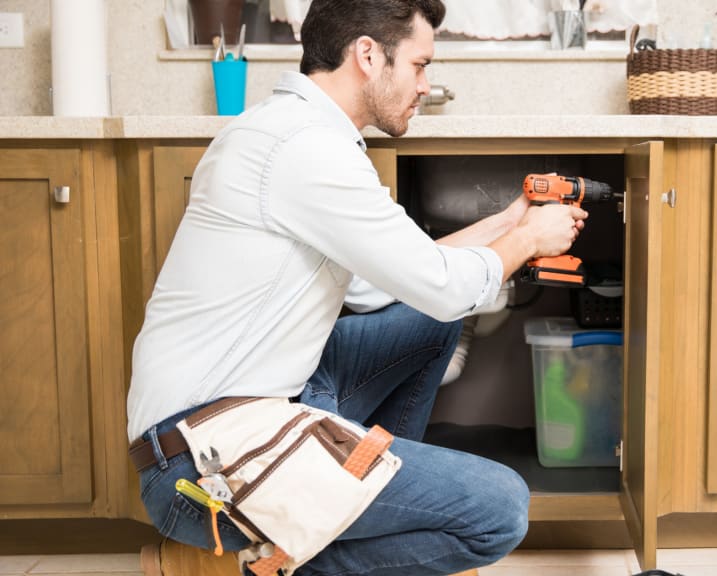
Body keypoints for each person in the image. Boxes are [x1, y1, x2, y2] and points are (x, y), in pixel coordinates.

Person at [124, 0, 588, 574]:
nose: (425, 84)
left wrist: (512, 220)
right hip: (201, 459)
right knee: (498, 509)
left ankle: (364, 487)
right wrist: (529, 242)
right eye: (419, 65)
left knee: (427, 323)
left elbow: (389, 284)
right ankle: (252, 564)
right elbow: (444, 287)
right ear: (368, 55)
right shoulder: (306, 150)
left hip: (266, 403)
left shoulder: (298, 133)